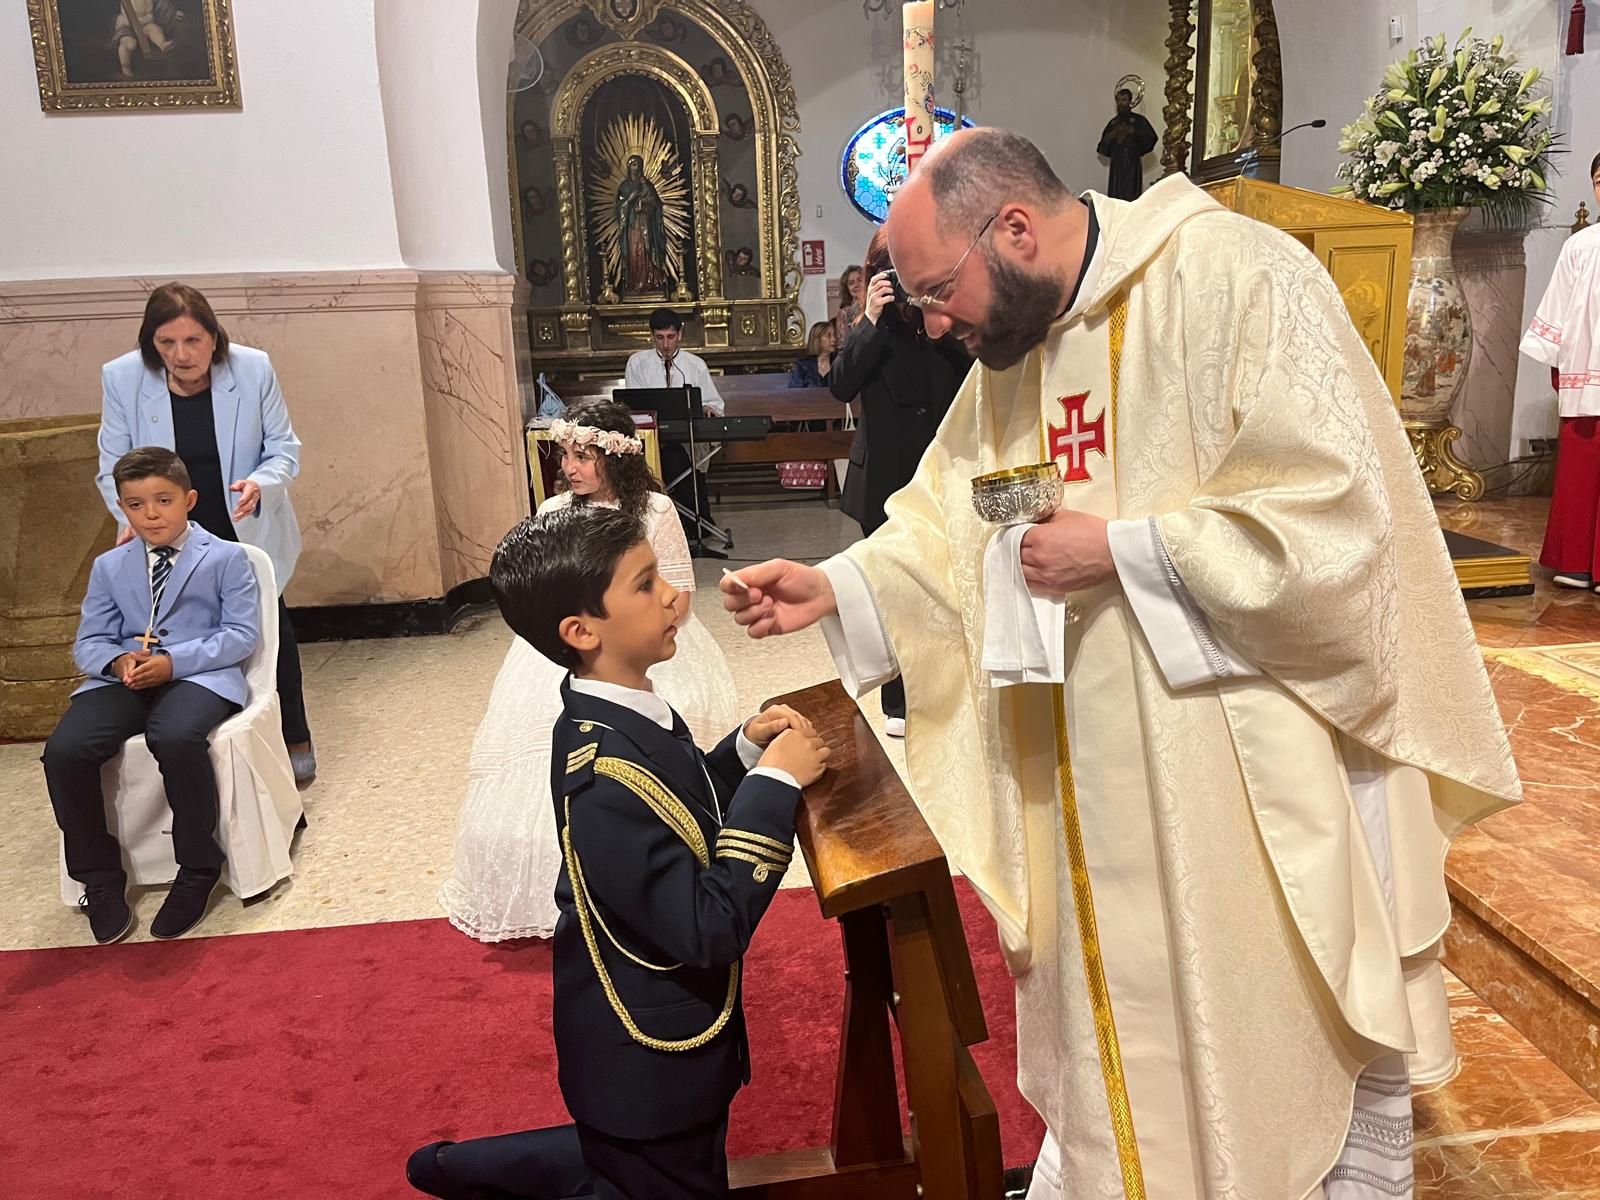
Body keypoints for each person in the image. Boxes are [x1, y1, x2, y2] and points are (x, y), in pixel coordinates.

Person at [721, 128, 1520, 1198]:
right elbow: (948, 519)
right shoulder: (1014, 346)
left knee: (1254, 1029)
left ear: (1012, 227)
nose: (931, 322)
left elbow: (1340, 519)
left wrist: (1128, 550)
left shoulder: (1235, 277)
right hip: (1085, 778)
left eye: (936, 290)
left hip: (1227, 774)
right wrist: (845, 587)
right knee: (1125, 1048)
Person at [408, 504, 829, 1200]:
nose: (670, 593)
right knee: (656, 1177)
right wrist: (775, 784)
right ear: (580, 631)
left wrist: (744, 750)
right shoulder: (600, 772)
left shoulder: (614, 711)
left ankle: (475, 1167)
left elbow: (677, 808)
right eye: (643, 585)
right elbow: (709, 926)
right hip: (645, 1062)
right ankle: (480, 1172)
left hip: (655, 1048)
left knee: (643, 1167)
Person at [440, 400, 741, 942]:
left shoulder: (652, 509)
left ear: (614, 457)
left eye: (583, 456)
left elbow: (681, 592)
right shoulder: (555, 509)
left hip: (642, 633)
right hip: (571, 642)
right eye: (566, 456)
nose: (570, 468)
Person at [96, 282, 316, 783]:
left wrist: (260, 482)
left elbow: (284, 449)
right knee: (178, 627)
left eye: (193, 341)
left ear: (214, 338)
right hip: (168, 522)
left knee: (266, 630)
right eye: (167, 343)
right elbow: (113, 466)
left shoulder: (252, 368)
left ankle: (294, 733)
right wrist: (131, 518)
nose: (181, 354)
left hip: (241, 517)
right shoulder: (123, 378)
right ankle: (199, 733)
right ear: (151, 343)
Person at [44, 447, 260, 945]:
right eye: (136, 505)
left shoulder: (225, 557)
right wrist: (118, 661)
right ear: (122, 508)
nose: (151, 514)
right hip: (126, 678)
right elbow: (89, 641)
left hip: (199, 676)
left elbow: (240, 635)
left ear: (189, 500)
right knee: (66, 751)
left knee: (177, 736)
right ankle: (99, 877)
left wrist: (174, 662)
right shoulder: (109, 566)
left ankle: (197, 868)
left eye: (163, 500)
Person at [827, 228, 970, 737]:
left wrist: (940, 316)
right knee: (892, 590)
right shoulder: (872, 325)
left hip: (941, 477)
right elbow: (841, 383)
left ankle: (950, 691)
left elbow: (976, 372)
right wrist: (869, 319)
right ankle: (899, 701)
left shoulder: (944, 319)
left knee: (945, 589)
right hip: (884, 480)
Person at [1520, 149, 1600, 590]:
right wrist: (1559, 368)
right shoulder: (1580, 246)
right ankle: (1575, 561)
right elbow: (1557, 311)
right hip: (1587, 373)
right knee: (1582, 467)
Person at [625, 308, 725, 548]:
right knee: (672, 459)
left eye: (670, 337)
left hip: (687, 436)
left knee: (678, 458)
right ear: (651, 336)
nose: (666, 344)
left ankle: (688, 524)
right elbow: (630, 406)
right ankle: (693, 522)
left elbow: (715, 403)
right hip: (650, 437)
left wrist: (709, 409)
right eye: (660, 337)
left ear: (680, 334)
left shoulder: (695, 364)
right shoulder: (637, 363)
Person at [1097, 88, 1159, 201]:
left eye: (1124, 99)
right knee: (1116, 194)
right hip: (1117, 163)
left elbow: (1151, 138)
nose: (1121, 103)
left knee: (1131, 193)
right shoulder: (1113, 123)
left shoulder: (1139, 120)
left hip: (1132, 161)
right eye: (1119, 100)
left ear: (1130, 102)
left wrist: (1133, 132)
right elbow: (1102, 147)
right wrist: (1112, 135)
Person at [787, 321, 838, 389]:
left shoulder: (839, 363)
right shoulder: (802, 365)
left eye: (834, 335)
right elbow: (795, 393)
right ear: (817, 339)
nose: (834, 339)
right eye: (828, 336)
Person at [834, 263, 866, 344]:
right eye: (851, 283)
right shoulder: (844, 313)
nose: (856, 285)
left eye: (860, 280)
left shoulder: (875, 306)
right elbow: (843, 343)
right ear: (847, 288)